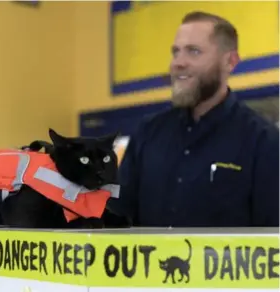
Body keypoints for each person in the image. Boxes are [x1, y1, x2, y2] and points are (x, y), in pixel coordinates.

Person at [108, 11, 279, 227]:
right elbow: (117, 220)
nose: (178, 63)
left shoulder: (263, 141)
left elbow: (271, 243)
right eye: (175, 52)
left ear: (230, 61)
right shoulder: (148, 133)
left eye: (194, 51)